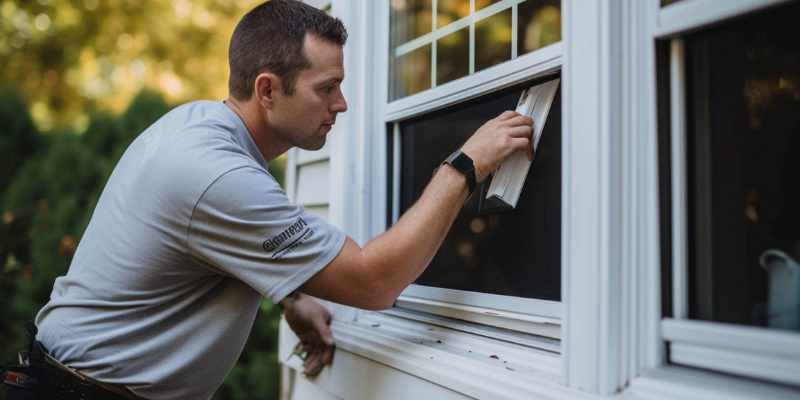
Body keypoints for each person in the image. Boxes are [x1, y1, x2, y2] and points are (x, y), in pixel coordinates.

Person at [2, 1, 535, 399]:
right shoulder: (216, 174)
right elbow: (375, 283)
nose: (342, 104)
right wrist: (465, 164)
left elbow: (204, 245)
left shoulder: (200, 128)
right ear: (267, 90)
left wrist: (291, 296)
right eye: (326, 88)